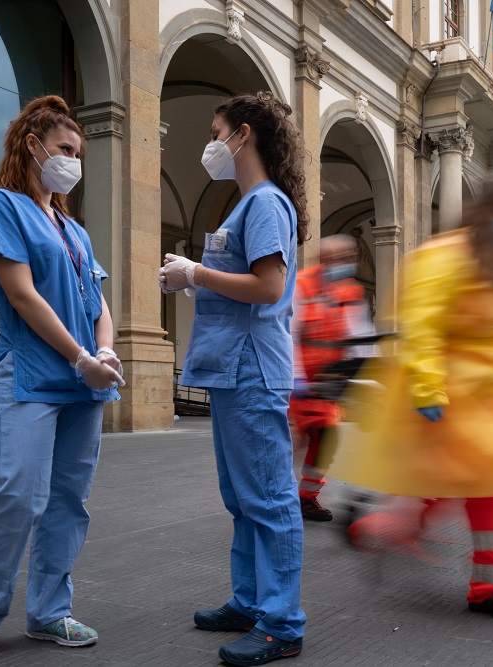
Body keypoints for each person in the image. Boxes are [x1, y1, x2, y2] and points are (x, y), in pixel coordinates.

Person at [327, 173, 493, 622]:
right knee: (449, 491)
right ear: (486, 209)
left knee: (492, 490)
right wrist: (427, 388)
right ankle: (376, 529)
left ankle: (489, 588)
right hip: (450, 398)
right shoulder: (444, 256)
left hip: (491, 404)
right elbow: (422, 326)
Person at [0, 96, 124, 663]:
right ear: (32, 145)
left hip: (82, 380)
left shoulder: (75, 230)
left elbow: (98, 303)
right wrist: (79, 358)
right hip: (30, 375)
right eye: (65, 149)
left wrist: (107, 350)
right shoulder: (0, 207)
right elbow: (20, 294)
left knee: (69, 500)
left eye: (78, 153)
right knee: (17, 495)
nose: (72, 161)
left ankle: (49, 613)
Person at [158, 91, 307, 666]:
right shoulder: (250, 205)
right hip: (234, 370)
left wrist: (196, 272)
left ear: (243, 135)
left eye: (216, 132)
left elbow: (268, 289)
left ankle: (282, 622)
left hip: (250, 371)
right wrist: (194, 281)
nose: (211, 143)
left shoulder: (264, 203)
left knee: (268, 499)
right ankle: (251, 602)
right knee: (244, 499)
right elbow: (247, 281)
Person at [289, 234, 374, 521]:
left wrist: (364, 372)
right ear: (323, 260)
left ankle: (305, 497)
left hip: (327, 382)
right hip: (298, 380)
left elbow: (360, 336)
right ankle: (286, 495)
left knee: (324, 437)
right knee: (300, 438)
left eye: (349, 258)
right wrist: (296, 377)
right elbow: (290, 333)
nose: (345, 263)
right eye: (338, 258)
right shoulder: (301, 285)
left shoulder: (351, 292)